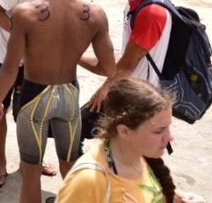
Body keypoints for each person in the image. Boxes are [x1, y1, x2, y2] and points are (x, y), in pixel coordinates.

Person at [0, 0, 116, 203]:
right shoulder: (95, 15)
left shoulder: (26, 14)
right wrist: (74, 54)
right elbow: (108, 69)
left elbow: (11, 67)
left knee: (31, 174)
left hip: (34, 97)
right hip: (69, 96)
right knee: (70, 169)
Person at [56, 78, 190, 203]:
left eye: (168, 127)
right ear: (124, 131)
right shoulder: (89, 180)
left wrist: (174, 198)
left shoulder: (141, 157)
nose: (170, 137)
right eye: (158, 131)